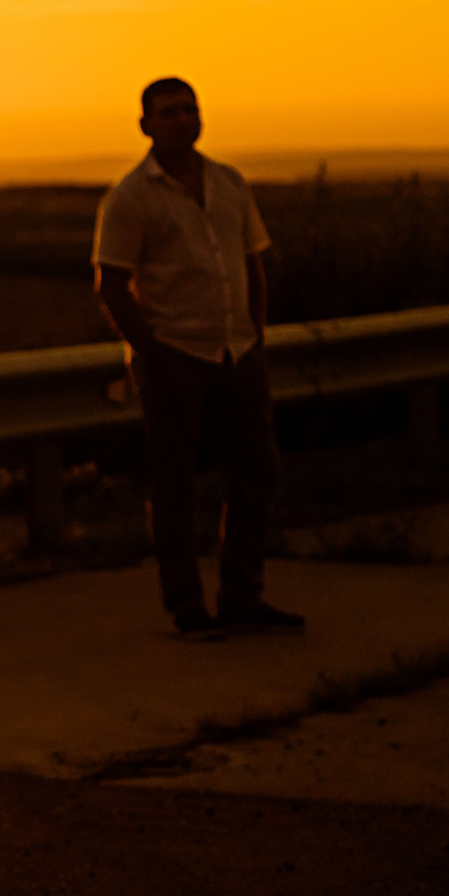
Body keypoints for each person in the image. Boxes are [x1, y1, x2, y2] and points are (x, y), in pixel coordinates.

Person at [92, 78, 304, 638]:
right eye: (168, 113)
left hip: (237, 352)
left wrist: (255, 336)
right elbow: (111, 284)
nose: (182, 120)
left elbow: (252, 262)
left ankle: (242, 595)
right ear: (145, 125)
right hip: (175, 356)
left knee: (258, 472)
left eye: (190, 109)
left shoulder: (229, 183)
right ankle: (187, 606)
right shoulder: (131, 197)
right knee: (175, 484)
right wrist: (152, 353)